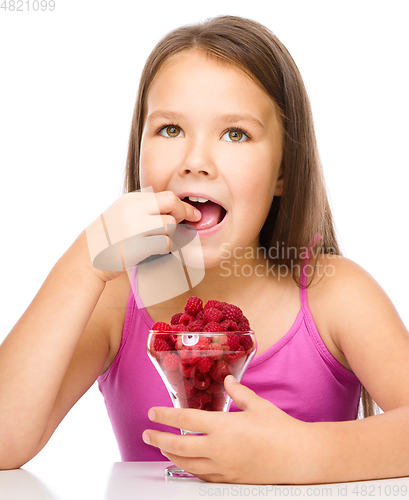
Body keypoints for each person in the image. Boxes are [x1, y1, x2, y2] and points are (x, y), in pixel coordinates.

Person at [1, 15, 408, 485]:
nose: (196, 162)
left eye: (235, 134)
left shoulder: (335, 293)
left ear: (283, 172)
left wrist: (302, 454)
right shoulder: (114, 300)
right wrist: (85, 260)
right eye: (170, 130)